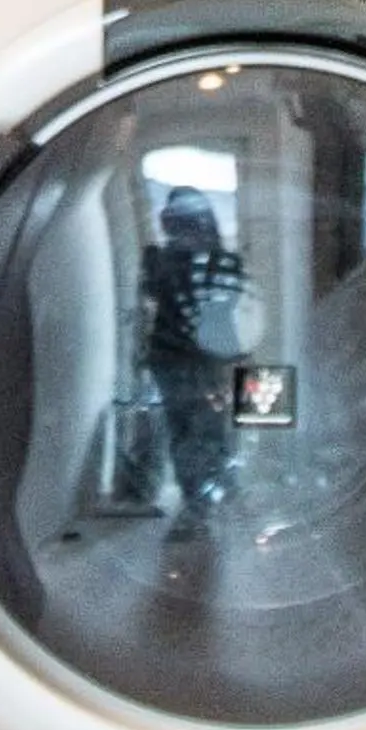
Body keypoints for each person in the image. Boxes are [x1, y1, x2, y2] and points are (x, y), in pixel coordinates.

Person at [140, 188, 243, 534]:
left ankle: (206, 498)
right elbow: (153, 295)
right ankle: (201, 500)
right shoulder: (162, 259)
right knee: (188, 430)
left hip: (197, 357)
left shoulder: (216, 260)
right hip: (174, 359)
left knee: (203, 428)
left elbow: (225, 311)